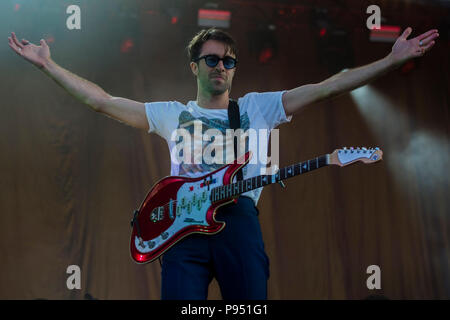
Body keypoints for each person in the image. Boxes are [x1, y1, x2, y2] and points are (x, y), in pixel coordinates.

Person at [8, 26, 438, 300]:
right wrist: (48, 65)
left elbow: (327, 87)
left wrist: (389, 61)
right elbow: (100, 102)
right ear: (195, 66)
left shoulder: (259, 108)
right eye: (212, 60)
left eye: (229, 61)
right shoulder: (170, 113)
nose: (221, 67)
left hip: (238, 224)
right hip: (182, 233)